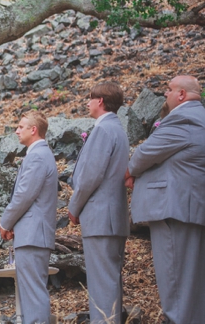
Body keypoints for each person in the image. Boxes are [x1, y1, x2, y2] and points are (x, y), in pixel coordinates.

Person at [126, 75, 205, 324]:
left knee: (175, 285)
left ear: (181, 94)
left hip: (174, 209)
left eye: (169, 90)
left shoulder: (184, 117)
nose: (165, 95)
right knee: (192, 286)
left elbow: (144, 154)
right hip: (188, 207)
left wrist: (130, 172)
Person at [68, 82, 129, 324]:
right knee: (110, 280)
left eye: (90, 98)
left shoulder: (103, 131)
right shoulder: (119, 130)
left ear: (100, 101)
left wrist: (74, 207)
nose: (87, 102)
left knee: (101, 282)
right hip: (114, 216)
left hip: (101, 217)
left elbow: (91, 176)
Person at [0, 111, 57, 324]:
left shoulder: (37, 155)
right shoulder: (39, 154)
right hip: (33, 233)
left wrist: (5, 222)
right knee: (31, 292)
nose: (16, 130)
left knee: (33, 293)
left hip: (33, 234)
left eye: (21, 126)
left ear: (34, 130)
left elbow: (24, 195)